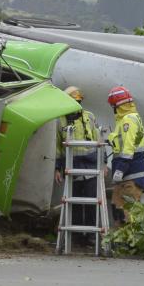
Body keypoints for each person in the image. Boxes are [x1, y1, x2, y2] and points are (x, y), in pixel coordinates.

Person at [54, 86, 100, 238]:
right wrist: (57, 169)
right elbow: (58, 147)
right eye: (74, 102)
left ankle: (92, 236)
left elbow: (99, 141)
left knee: (92, 202)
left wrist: (104, 164)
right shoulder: (59, 121)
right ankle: (78, 237)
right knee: (75, 204)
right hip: (72, 168)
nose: (77, 105)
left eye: (78, 102)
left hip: (91, 168)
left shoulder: (90, 117)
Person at [106, 85, 144, 225]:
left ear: (116, 105)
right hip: (125, 178)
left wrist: (120, 169)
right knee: (117, 210)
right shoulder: (125, 119)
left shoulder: (128, 120)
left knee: (128, 216)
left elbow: (128, 148)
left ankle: (131, 246)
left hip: (131, 177)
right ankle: (120, 244)